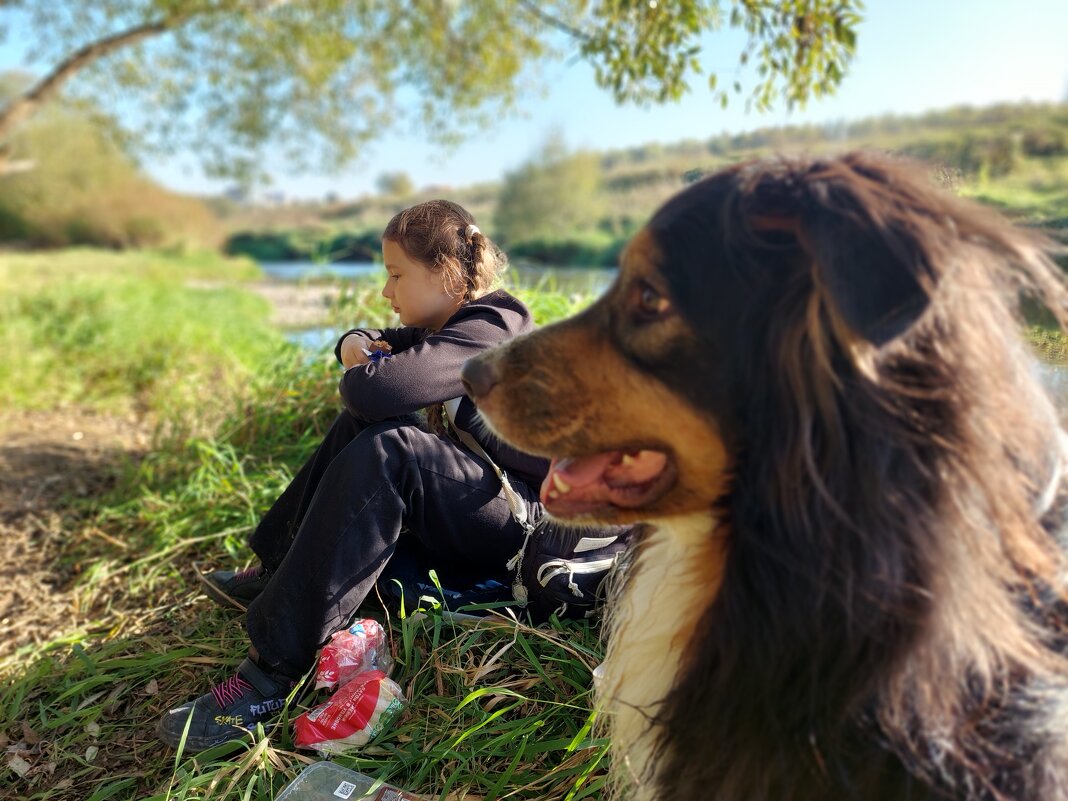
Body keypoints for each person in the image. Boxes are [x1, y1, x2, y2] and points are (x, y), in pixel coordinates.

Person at [156, 200, 617, 752]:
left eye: (397, 274)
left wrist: (359, 359)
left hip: (533, 528)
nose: (386, 291)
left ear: (446, 272)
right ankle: (277, 572)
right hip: (492, 503)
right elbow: (372, 349)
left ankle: (271, 673)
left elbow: (378, 388)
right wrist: (353, 341)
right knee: (369, 428)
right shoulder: (449, 329)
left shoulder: (497, 325)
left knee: (393, 448)